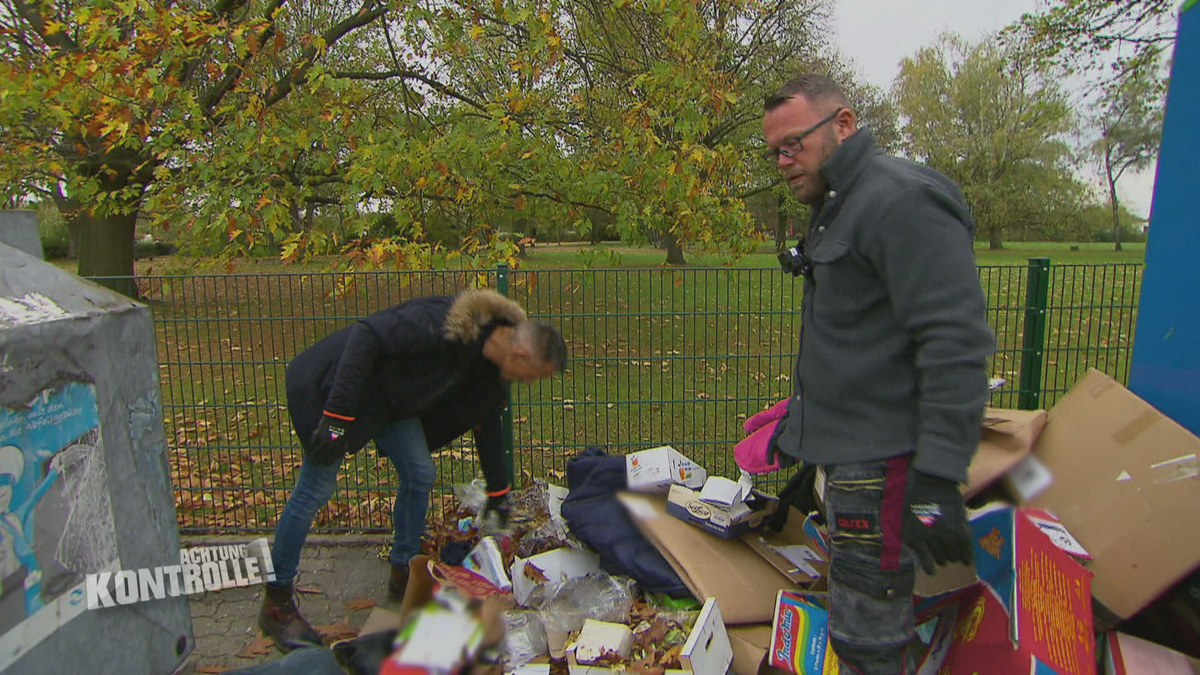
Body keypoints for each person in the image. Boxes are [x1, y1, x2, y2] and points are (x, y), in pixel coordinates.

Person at [761, 74, 995, 674]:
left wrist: (938, 476)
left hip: (887, 469)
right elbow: (857, 337)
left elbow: (954, 342)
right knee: (861, 630)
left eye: (794, 144)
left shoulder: (899, 199)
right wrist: (798, 429)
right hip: (849, 460)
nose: (785, 162)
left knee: (869, 643)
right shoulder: (837, 205)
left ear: (842, 124)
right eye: (775, 152)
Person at [259, 288, 567, 652]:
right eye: (533, 375)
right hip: (335, 388)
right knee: (315, 490)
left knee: (420, 472)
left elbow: (487, 419)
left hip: (388, 405)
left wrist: (498, 492)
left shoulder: (488, 370)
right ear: (520, 353)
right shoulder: (444, 323)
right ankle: (276, 604)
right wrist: (336, 420)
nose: (528, 383)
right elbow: (366, 335)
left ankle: (402, 575)